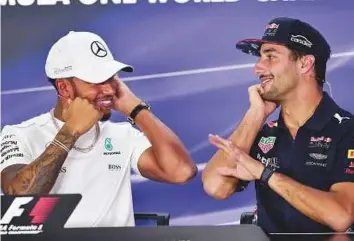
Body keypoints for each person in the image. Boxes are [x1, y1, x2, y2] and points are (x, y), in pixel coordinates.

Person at [0, 31, 197, 228]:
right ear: (64, 88)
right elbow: (19, 197)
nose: (110, 90)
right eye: (97, 81)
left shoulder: (122, 135)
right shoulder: (19, 134)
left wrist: (136, 109)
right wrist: (70, 132)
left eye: (112, 78)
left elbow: (181, 172)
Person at [202, 17, 354, 233]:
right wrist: (255, 115)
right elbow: (216, 187)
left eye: (271, 56)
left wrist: (264, 173)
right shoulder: (263, 131)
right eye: (260, 58)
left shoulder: (347, 130)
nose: (257, 68)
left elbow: (340, 216)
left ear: (304, 63)